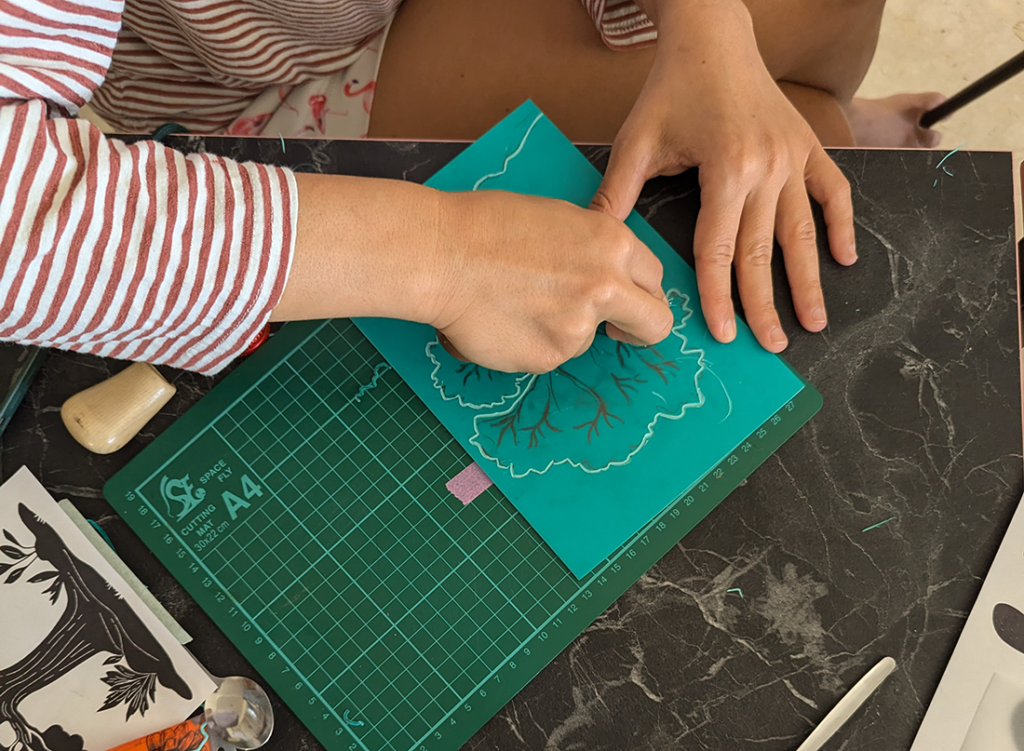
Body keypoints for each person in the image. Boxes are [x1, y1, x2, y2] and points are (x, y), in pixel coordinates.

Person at [0, 0, 943, 376]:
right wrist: (448, 254)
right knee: (811, 122)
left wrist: (711, 33)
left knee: (819, 20)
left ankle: (812, 110)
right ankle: (819, 116)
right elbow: (17, 209)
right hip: (248, 89)